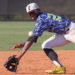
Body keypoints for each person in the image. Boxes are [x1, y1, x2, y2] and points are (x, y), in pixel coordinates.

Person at [12, 3, 75, 74]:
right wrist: (23, 44)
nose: (31, 14)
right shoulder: (41, 18)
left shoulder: (41, 19)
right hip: (63, 34)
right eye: (29, 13)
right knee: (45, 45)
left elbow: (32, 39)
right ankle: (60, 67)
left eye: (33, 12)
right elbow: (33, 37)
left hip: (72, 30)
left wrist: (20, 55)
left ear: (38, 10)